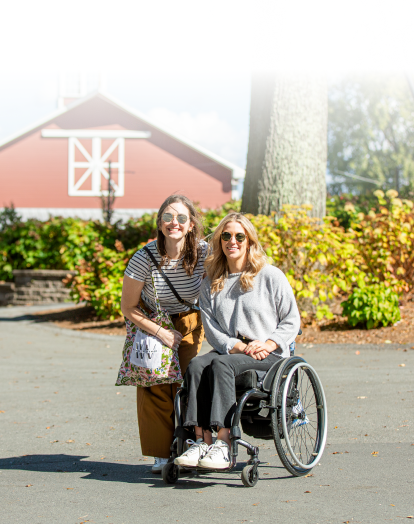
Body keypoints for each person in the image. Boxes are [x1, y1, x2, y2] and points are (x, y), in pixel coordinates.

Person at [174, 212, 300, 470]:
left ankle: (223, 442)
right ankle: (201, 441)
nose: (233, 241)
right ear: (219, 241)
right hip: (232, 350)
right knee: (197, 365)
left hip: (269, 355)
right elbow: (211, 330)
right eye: (226, 236)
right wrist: (238, 346)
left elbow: (291, 320)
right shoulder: (211, 282)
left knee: (222, 366)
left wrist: (268, 343)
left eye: (239, 236)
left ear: (250, 241)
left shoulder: (270, 276)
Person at [121, 195, 208, 473]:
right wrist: (160, 332)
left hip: (189, 322)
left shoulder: (205, 253)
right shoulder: (144, 257)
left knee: (187, 380)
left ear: (191, 224)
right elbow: (128, 307)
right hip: (151, 323)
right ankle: (161, 453)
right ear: (160, 223)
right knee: (155, 386)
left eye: (182, 218)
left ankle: (193, 444)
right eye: (168, 217)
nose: (175, 223)